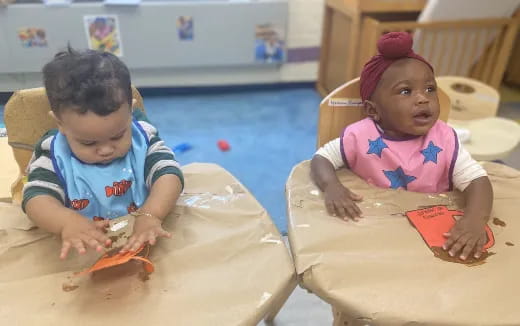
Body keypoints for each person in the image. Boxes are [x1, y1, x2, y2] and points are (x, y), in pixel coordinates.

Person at [311, 32, 493, 261]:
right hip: (376, 231)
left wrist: (474, 220)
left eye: (429, 89)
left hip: (431, 236)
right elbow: (321, 158)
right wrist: (332, 187)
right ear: (373, 110)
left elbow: (478, 181)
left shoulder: (444, 139)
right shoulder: (361, 136)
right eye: (406, 91)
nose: (422, 99)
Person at [22, 47, 184, 259]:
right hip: (85, 248)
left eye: (117, 136)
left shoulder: (141, 137)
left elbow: (169, 174)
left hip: (144, 235)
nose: (106, 150)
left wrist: (151, 214)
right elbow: (36, 199)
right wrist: (66, 222)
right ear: (60, 124)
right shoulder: (53, 154)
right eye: (88, 142)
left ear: (129, 113)